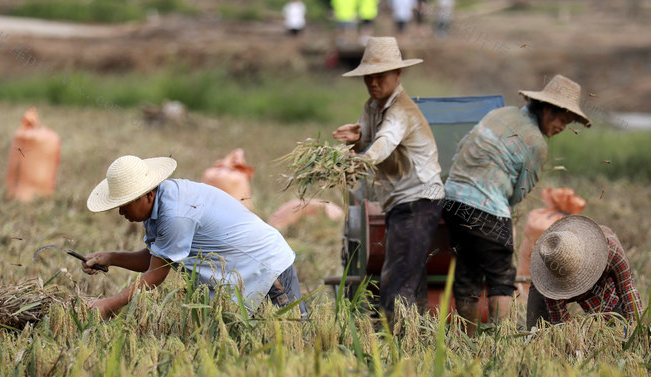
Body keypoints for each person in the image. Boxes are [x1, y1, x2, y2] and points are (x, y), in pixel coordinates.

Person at [441, 74, 591, 334]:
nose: (561, 127)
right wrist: (504, 211)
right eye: (561, 120)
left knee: (468, 275)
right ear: (547, 109)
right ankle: (502, 340)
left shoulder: (501, 114)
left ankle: (466, 341)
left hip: (452, 201)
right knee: (501, 278)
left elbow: (464, 147)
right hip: (487, 209)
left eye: (567, 123)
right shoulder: (536, 143)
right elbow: (520, 192)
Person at [82, 155, 307, 320]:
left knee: (294, 334)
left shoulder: (175, 213)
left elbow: (155, 274)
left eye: (125, 205)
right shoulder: (159, 205)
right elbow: (157, 258)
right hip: (242, 273)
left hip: (265, 266)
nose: (122, 213)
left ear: (148, 194)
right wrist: (111, 257)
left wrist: (108, 305)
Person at [332, 37, 444, 322]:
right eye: (368, 77)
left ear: (398, 75)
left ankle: (396, 341)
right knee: (410, 274)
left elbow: (383, 144)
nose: (373, 82)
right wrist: (356, 142)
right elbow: (369, 143)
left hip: (418, 200)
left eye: (380, 76)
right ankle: (415, 339)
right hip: (398, 201)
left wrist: (357, 161)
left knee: (397, 279)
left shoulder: (400, 110)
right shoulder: (372, 107)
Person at [527, 215, 643, 327]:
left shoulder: (611, 253)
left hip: (601, 283)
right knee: (538, 332)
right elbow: (560, 323)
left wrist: (635, 328)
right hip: (555, 284)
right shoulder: (548, 280)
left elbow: (627, 290)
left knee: (618, 320)